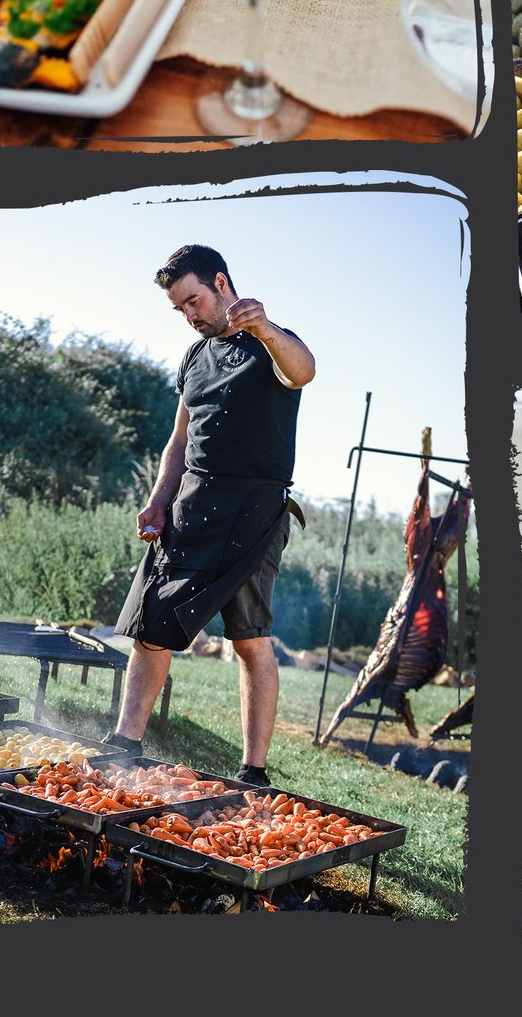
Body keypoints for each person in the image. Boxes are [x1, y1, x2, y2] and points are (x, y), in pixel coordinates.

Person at [101, 245, 315, 786]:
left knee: (249, 639)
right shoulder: (194, 358)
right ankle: (124, 743)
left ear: (221, 283)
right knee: (152, 625)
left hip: (253, 511)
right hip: (191, 504)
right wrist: (158, 498)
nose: (190, 316)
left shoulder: (271, 342)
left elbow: (305, 371)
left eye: (193, 301)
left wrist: (265, 329)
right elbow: (180, 438)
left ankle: (253, 771)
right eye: (179, 309)